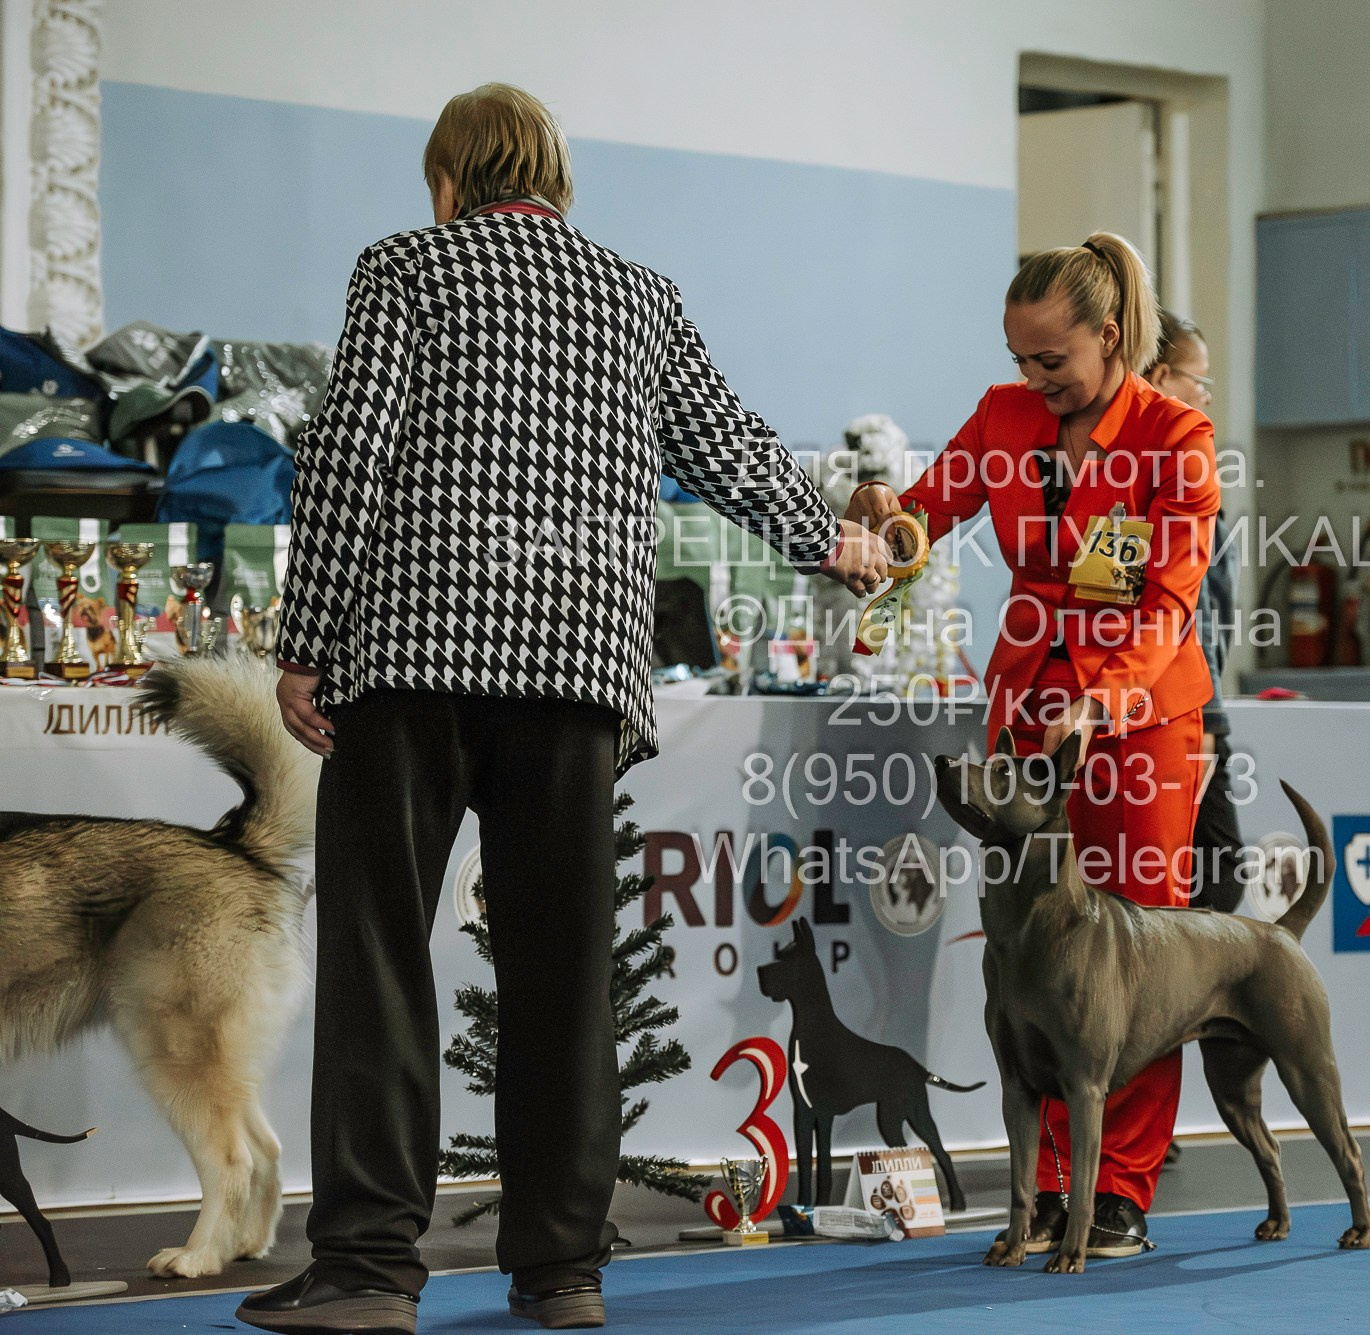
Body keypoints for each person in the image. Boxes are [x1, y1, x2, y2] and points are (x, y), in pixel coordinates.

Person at [243, 84, 887, 1335]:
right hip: (577, 679)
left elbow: (347, 456)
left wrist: (306, 641)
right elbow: (727, 445)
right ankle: (561, 1272)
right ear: (553, 177)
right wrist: (835, 542)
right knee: (563, 975)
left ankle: (368, 1272)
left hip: (414, 657)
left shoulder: (407, 268)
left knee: (382, 965)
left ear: (450, 178)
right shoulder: (636, 295)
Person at [846, 231, 1219, 1257]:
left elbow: (1166, 604)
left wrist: (1100, 701)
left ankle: (1121, 1187)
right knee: (1029, 954)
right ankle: (1053, 1183)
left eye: (1052, 359)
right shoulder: (1002, 416)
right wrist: (887, 522)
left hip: (1139, 721)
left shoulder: (1177, 438)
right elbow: (930, 514)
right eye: (1019, 359)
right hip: (1023, 716)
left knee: (1135, 956)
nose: (1033, 379)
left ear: (1111, 336)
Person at [1144, 313, 1245, 914]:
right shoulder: (1166, 471)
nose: (1206, 396)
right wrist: (1206, 719)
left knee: (1201, 882)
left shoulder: (1175, 462)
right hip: (1179, 704)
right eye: (1199, 380)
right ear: (1161, 376)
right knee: (1215, 879)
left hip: (1176, 699)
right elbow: (1190, 614)